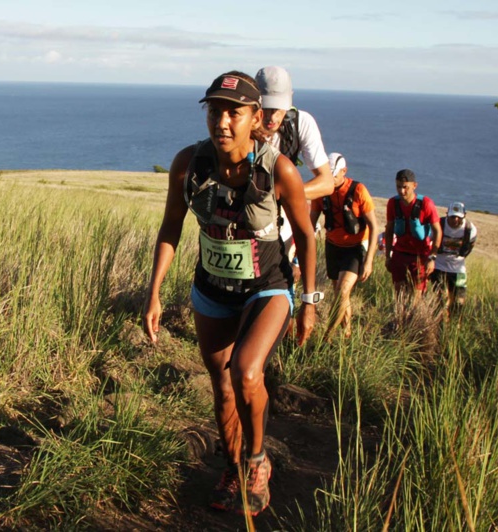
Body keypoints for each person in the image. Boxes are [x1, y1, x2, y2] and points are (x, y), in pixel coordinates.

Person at [142, 71, 321, 517]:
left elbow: (306, 235)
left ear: (255, 117)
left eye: (233, 113)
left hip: (268, 287)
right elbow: (170, 227)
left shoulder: (279, 169)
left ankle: (258, 461)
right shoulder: (189, 163)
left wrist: (310, 304)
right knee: (221, 386)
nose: (222, 121)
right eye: (214, 110)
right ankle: (233, 465)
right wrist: (154, 292)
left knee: (245, 372)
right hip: (211, 289)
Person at [255, 66, 334, 279]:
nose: (271, 117)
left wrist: (283, 193)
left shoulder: (301, 124)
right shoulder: (242, 123)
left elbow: (327, 182)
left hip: (283, 231)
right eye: (265, 108)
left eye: (277, 109)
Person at [310, 153, 378, 338]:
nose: (330, 178)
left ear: (344, 171)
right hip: (333, 246)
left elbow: (374, 226)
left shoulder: (358, 190)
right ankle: (347, 333)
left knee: (342, 291)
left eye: (334, 174)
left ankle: (328, 335)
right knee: (341, 294)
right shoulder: (322, 191)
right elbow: (311, 222)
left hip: (355, 248)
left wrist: (369, 260)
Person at [384, 169, 442, 297]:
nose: (401, 191)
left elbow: (437, 231)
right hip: (400, 253)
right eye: (398, 187)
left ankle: (415, 316)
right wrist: (388, 256)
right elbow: (389, 231)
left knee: (416, 296)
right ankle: (400, 316)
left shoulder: (426, 204)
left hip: (420, 256)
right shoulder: (393, 203)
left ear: (414, 186)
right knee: (400, 294)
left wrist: (432, 257)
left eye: (405, 187)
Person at [430, 201, 478, 313]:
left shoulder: (470, 229)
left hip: (458, 269)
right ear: (447, 215)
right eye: (452, 217)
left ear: (464, 216)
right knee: (440, 299)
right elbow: (429, 241)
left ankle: (455, 325)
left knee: (458, 302)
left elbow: (470, 247)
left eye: (458, 217)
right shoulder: (439, 224)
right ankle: (439, 323)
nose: (455, 220)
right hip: (438, 266)